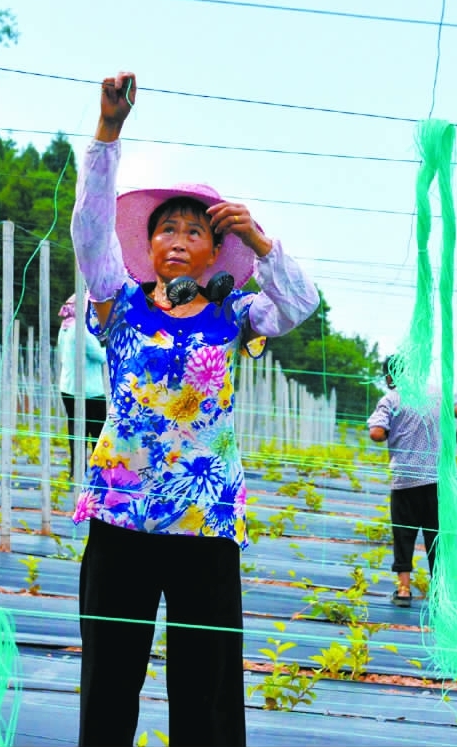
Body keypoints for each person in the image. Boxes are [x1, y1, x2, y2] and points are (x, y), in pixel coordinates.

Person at [70, 71, 319, 747]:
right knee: (109, 679)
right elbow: (89, 229)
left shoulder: (236, 312)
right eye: (165, 229)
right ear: (146, 248)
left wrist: (263, 243)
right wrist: (108, 130)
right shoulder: (118, 301)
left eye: (193, 230)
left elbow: (300, 305)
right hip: (121, 516)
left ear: (215, 251)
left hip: (204, 521)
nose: (178, 238)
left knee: (205, 690)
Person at [367, 355, 457, 607]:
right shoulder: (438, 394)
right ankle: (439, 590)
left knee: (403, 535)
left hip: (405, 480)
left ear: (391, 376)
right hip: (435, 480)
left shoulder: (391, 399)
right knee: (435, 535)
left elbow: (376, 432)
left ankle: (404, 590)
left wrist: (389, 435)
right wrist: (448, 444)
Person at [56, 294, 107, 480]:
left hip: (68, 387)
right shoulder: (82, 331)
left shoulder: (65, 329)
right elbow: (101, 357)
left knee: (77, 430)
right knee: (98, 433)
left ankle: (76, 471)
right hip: (89, 391)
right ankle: (98, 474)